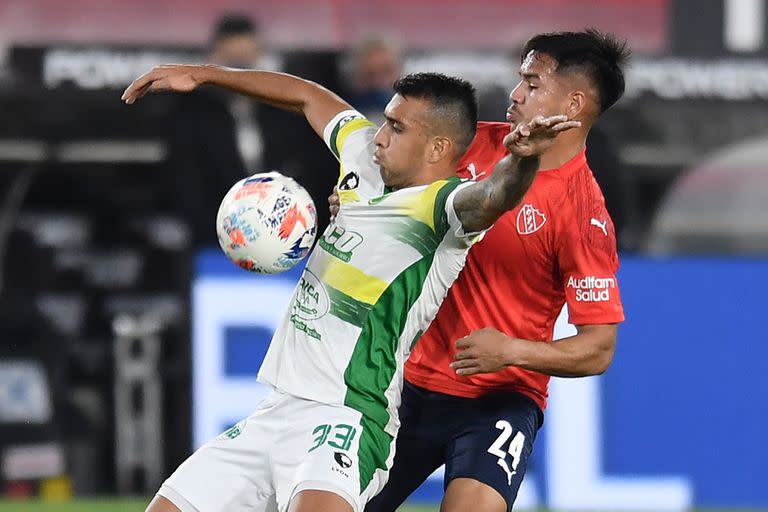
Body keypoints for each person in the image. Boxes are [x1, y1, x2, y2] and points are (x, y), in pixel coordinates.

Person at [122, 63, 578, 512]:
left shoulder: (444, 211)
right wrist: (205, 76)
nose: (379, 136)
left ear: (438, 147)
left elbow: (493, 195)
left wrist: (523, 158)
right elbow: (306, 95)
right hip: (276, 411)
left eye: (396, 129)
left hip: (348, 417)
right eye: (384, 122)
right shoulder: (363, 157)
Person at [329, 29, 625, 512]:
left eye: (532, 84)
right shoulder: (471, 146)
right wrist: (355, 203)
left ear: (573, 105)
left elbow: (598, 347)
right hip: (402, 382)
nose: (515, 94)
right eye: (520, 80)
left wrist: (512, 350)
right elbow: (390, 188)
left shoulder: (584, 215)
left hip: (500, 400)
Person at [166, 14, 267, 248]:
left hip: (276, 237)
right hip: (213, 239)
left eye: (246, 60)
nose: (239, 70)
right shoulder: (189, 113)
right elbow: (186, 183)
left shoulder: (278, 111)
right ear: (213, 58)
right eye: (232, 61)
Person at [341, 34, 404, 125]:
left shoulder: (415, 117)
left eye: (387, 71)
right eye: (370, 74)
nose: (379, 82)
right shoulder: (342, 116)